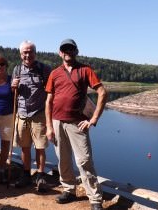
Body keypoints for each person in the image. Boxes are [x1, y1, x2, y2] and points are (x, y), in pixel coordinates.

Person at [45, 39, 107, 210]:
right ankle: (69, 190)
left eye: (71, 49)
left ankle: (95, 199)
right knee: (63, 160)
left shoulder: (85, 70)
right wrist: (49, 127)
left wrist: (93, 119)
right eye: (64, 49)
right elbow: (48, 101)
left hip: (77, 124)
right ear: (60, 52)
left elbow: (102, 92)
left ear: (76, 51)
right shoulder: (55, 73)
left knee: (84, 160)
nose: (67, 52)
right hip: (57, 123)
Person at [11, 40, 51, 191]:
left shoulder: (44, 69)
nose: (28, 55)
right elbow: (13, 93)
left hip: (39, 114)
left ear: (35, 52)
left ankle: (40, 176)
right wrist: (13, 87)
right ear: (21, 54)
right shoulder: (16, 69)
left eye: (30, 51)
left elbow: (51, 92)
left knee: (40, 148)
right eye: (25, 52)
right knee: (24, 147)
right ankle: (26, 175)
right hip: (21, 114)